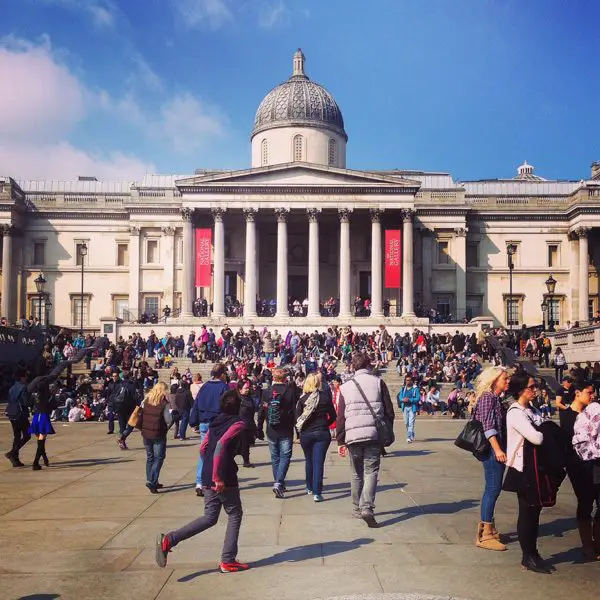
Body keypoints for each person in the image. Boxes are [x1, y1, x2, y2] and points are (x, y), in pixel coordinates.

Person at [155, 389, 249, 574]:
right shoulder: (237, 424)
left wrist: (207, 470)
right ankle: (228, 560)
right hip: (222, 476)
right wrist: (217, 476)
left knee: (210, 517)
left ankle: (169, 539)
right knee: (235, 514)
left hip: (208, 473)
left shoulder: (215, 421)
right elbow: (220, 445)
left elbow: (204, 446)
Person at [337, 353, 395, 528]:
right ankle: (367, 507)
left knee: (356, 472)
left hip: (353, 435)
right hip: (373, 434)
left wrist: (340, 439)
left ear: (353, 367)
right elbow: (389, 411)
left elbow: (341, 416)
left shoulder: (345, 387)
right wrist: (386, 430)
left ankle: (356, 508)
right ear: (369, 365)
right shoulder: (378, 382)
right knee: (371, 471)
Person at [501, 372, 548, 573]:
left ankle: (533, 551)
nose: (534, 390)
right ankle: (526, 555)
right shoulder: (515, 412)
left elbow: (543, 428)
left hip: (535, 466)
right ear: (521, 390)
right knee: (527, 511)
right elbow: (537, 437)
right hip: (522, 467)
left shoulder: (532, 410)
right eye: (531, 387)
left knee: (535, 510)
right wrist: (546, 432)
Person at [560, 381, 600, 561]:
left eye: (594, 392)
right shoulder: (568, 416)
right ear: (577, 393)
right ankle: (587, 544)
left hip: (596, 464)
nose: (593, 395)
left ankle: (597, 541)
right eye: (589, 392)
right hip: (577, 466)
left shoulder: (594, 413)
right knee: (585, 502)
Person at [472, 366, 511, 551]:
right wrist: (498, 450)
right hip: (491, 450)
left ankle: (490, 528)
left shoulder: (495, 398)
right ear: (494, 380)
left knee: (493, 488)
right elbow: (488, 427)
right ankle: (485, 534)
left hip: (494, 449)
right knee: (493, 489)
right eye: (505, 378)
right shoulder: (488, 398)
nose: (508, 381)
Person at [189, 364, 229, 497]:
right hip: (217, 424)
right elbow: (227, 406)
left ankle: (200, 482)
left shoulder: (204, 386)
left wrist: (193, 420)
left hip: (204, 423)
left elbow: (196, 404)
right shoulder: (223, 387)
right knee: (217, 453)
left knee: (204, 451)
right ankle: (213, 480)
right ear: (222, 374)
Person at [296, 372, 336, 502]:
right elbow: (333, 415)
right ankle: (317, 493)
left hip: (306, 433)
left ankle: (309, 487)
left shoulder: (302, 399)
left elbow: (297, 418)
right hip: (322, 432)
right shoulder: (324, 397)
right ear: (318, 383)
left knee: (309, 461)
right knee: (318, 463)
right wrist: (325, 424)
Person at [259, 368, 298, 499]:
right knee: (285, 457)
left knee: (275, 457)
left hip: (271, 428)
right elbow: (294, 412)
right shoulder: (290, 391)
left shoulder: (266, 392)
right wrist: (297, 430)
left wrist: (259, 427)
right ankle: (278, 483)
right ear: (285, 378)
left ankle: (278, 482)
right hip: (286, 428)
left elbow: (261, 411)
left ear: (273, 378)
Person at [139, 382, 172, 493]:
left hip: (146, 433)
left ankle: (152, 479)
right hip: (158, 433)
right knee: (159, 457)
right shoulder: (164, 403)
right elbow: (168, 419)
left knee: (150, 457)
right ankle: (152, 481)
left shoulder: (146, 400)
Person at [4, 369, 31, 467]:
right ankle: (12, 453)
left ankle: (15, 459)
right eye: (25, 376)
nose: (26, 378)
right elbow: (25, 402)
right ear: (22, 377)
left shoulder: (11, 388)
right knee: (27, 435)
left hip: (12, 413)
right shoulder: (23, 388)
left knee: (17, 436)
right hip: (21, 414)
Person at [238, 380, 257, 468]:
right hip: (240, 425)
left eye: (247, 388)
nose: (247, 390)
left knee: (247, 445)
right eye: (245, 388)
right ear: (240, 389)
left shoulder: (249, 398)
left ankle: (246, 461)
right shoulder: (237, 399)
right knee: (240, 445)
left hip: (249, 424)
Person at [397, 375, 419, 443]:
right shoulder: (403, 389)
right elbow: (400, 397)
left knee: (411, 423)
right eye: (407, 380)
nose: (408, 381)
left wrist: (409, 400)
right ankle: (411, 433)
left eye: (409, 380)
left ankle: (409, 436)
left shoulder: (415, 389)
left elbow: (418, 398)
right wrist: (403, 399)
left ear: (411, 381)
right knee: (406, 423)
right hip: (405, 408)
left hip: (412, 408)